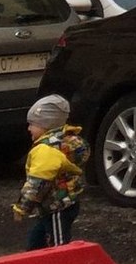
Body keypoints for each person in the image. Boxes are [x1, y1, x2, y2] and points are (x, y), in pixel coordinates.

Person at [13, 94, 89, 249]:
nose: (29, 128)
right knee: (37, 238)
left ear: (46, 125)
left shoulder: (46, 150)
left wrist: (22, 207)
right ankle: (34, 259)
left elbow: (37, 183)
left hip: (57, 206)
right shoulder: (68, 141)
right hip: (62, 201)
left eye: (32, 124)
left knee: (58, 243)